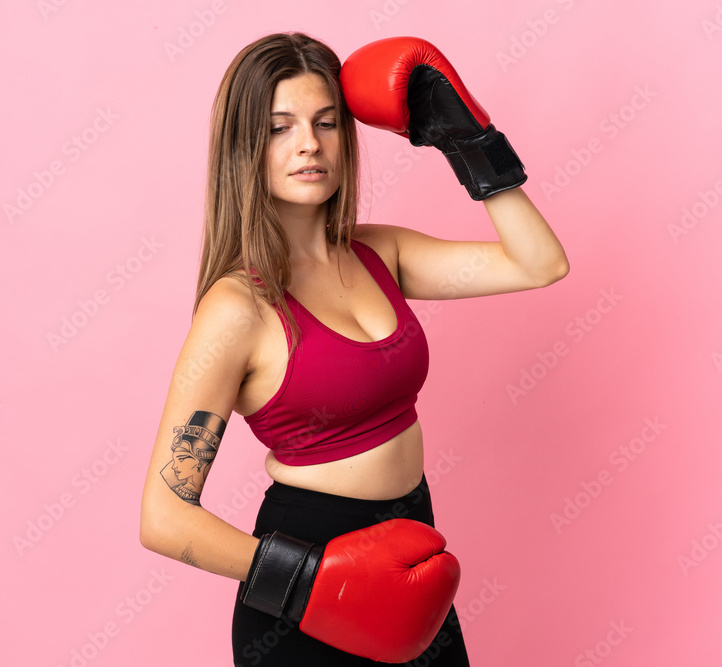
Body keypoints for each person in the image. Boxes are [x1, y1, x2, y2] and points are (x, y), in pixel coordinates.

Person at [140, 32, 569, 666]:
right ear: (244, 148)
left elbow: (540, 263)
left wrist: (467, 141)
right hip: (305, 587)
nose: (309, 144)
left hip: (414, 560)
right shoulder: (238, 308)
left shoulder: (380, 254)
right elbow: (164, 516)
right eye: (279, 127)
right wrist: (316, 578)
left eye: (326, 122)